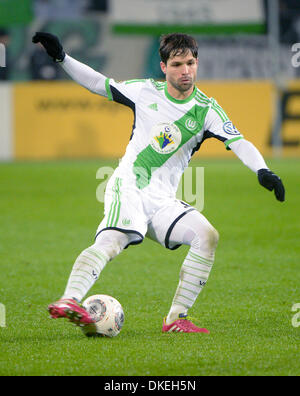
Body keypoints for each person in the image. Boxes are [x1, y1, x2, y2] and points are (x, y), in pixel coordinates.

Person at [32, 32, 285, 334]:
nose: (185, 71)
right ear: (164, 67)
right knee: (112, 243)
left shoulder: (206, 109)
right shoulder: (144, 91)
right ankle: (70, 300)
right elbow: (99, 83)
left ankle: (176, 319)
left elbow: (238, 141)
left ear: (197, 63)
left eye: (190, 63)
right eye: (177, 64)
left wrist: (262, 170)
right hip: (130, 185)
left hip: (163, 200)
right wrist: (62, 57)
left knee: (207, 236)